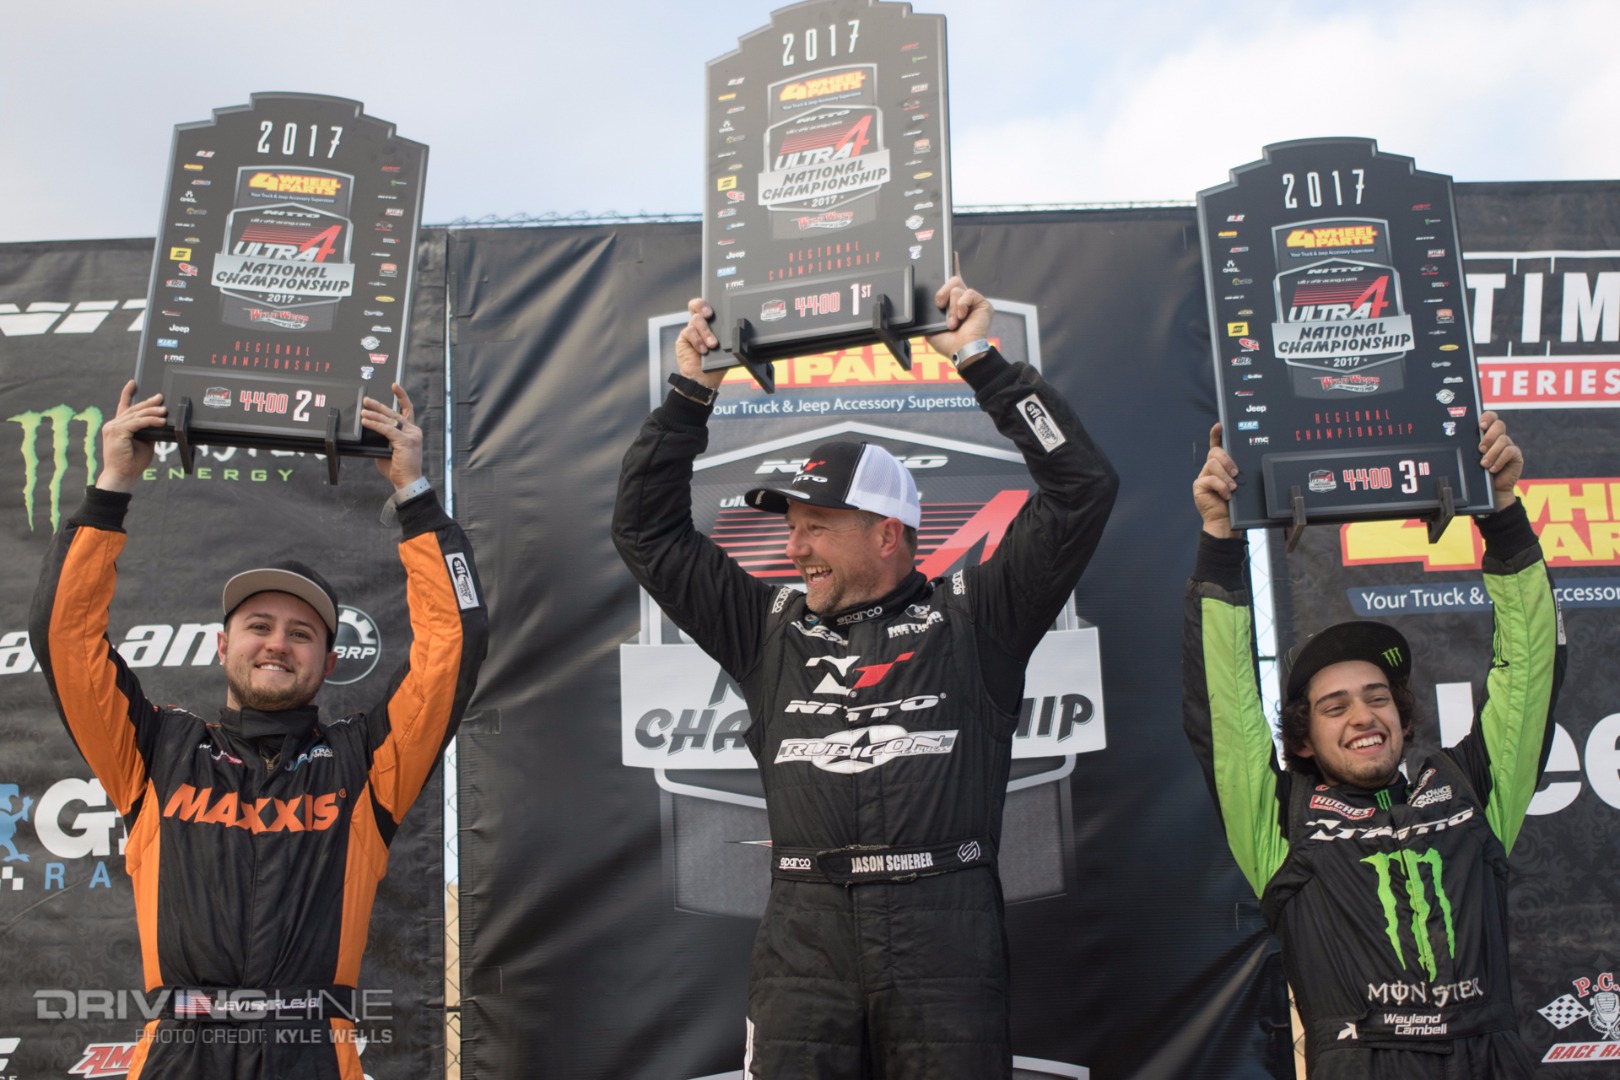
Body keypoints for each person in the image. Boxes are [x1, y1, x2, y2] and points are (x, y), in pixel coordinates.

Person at [612, 277, 1118, 1079]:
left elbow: (1082, 486)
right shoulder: (767, 628)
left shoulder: (976, 614)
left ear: (888, 534)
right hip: (803, 937)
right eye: (791, 527)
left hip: (944, 929)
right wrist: (687, 398)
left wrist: (985, 361)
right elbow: (643, 528)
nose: (794, 547)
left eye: (815, 526)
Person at [30, 380, 487, 1080]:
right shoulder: (156, 751)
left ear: (329, 661)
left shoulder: (364, 764)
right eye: (258, 627)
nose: (277, 644)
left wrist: (415, 495)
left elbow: (453, 643)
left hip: (315, 1054)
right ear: (222, 646)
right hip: (179, 1051)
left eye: (301, 633)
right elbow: (65, 639)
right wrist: (113, 484)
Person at [1183, 414, 1565, 1079]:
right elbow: (1226, 712)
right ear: (1303, 740)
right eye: (1335, 706)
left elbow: (1529, 672)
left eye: (1378, 696)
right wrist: (1220, 537)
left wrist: (1502, 511)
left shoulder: (1470, 790)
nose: (1363, 714)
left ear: (1404, 716)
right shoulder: (1282, 823)